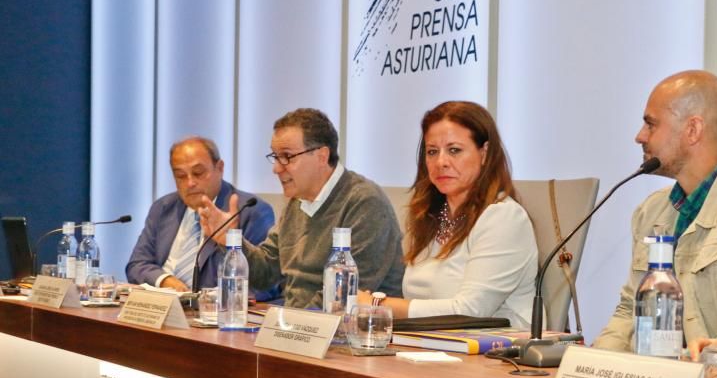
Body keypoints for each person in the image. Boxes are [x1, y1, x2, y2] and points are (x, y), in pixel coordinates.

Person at [593, 70, 717, 356]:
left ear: (693, 130)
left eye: (651, 125)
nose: (639, 136)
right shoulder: (650, 211)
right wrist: (592, 367)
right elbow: (628, 313)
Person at [199, 108, 404, 308]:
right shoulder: (297, 201)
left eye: (287, 156)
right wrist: (229, 240)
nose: (276, 168)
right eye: (275, 156)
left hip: (351, 334)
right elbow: (265, 274)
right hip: (300, 329)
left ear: (322, 156)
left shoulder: (365, 203)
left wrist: (288, 330)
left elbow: (343, 297)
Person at [356, 101, 537, 328]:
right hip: (432, 345)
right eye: (432, 152)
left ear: (484, 152)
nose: (441, 162)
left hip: (495, 353)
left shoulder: (504, 218)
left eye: (454, 150)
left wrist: (377, 304)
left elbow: (470, 311)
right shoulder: (429, 216)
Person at [126, 136, 275, 293]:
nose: (190, 183)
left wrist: (228, 242)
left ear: (219, 168)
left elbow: (261, 285)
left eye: (198, 173)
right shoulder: (163, 207)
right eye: (181, 176)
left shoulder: (249, 211)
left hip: (211, 311)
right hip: (163, 305)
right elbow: (136, 264)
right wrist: (164, 280)